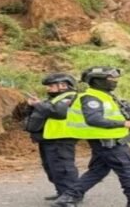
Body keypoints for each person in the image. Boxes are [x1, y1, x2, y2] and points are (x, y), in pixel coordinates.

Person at [47, 66, 130, 207]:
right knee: (128, 169)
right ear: (96, 80)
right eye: (110, 78)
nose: (114, 81)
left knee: (97, 171)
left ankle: (68, 198)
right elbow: (94, 119)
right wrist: (125, 123)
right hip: (107, 142)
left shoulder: (104, 95)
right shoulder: (91, 97)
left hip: (107, 140)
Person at [24, 73, 79, 201]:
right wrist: (31, 105)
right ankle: (62, 192)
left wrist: (38, 104)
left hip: (61, 139)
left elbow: (58, 112)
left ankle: (71, 195)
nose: (48, 88)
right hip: (48, 138)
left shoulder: (69, 97)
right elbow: (39, 113)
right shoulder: (53, 99)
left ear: (63, 85)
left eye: (51, 86)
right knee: (52, 168)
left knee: (63, 168)